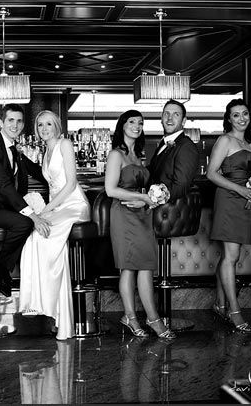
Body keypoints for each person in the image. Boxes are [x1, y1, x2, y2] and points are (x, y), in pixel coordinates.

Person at [18, 110, 90, 340]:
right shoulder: (46, 151)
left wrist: (46, 209)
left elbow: (70, 184)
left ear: (57, 126)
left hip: (74, 205)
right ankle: (56, 313)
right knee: (34, 238)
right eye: (40, 125)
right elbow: (47, 181)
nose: (44, 128)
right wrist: (21, 157)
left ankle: (47, 305)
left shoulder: (64, 144)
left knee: (43, 236)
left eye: (48, 124)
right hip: (58, 207)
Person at [105, 109, 176, 339]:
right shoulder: (116, 154)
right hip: (124, 214)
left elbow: (144, 187)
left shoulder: (139, 155)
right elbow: (110, 190)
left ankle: (149, 318)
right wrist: (143, 198)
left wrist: (150, 199)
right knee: (129, 266)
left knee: (146, 265)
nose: (137, 126)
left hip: (143, 214)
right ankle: (135, 317)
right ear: (122, 126)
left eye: (141, 123)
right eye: (132, 122)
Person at [0, 103, 49, 298]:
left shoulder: (13, 147)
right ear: (1, 122)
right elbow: (4, 186)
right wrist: (33, 216)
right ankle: (0, 268)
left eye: (19, 121)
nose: (15, 125)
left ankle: (37, 279)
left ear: (23, 125)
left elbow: (33, 169)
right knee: (25, 223)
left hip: (4, 206)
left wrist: (55, 178)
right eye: (11, 120)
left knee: (40, 220)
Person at [207, 99, 251, 333]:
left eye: (245, 113)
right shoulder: (225, 140)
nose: (241, 118)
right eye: (236, 115)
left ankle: (220, 304)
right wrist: (239, 189)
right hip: (229, 200)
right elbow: (211, 174)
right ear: (228, 119)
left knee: (229, 255)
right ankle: (234, 310)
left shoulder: (248, 143)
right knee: (231, 255)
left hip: (246, 203)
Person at [148, 99, 200, 204]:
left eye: (176, 114)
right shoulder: (163, 144)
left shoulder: (186, 147)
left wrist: (148, 200)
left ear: (183, 121)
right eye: (166, 114)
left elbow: (180, 187)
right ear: (161, 119)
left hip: (169, 210)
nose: (170, 118)